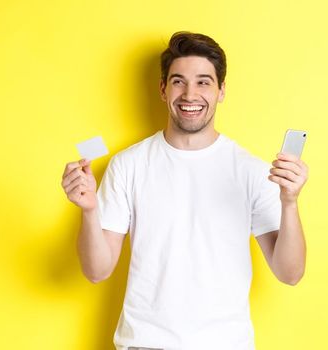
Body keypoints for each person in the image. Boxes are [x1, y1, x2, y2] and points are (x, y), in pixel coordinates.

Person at [60, 31, 308, 350]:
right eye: (179, 81)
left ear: (221, 91)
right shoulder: (127, 165)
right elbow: (97, 271)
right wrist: (90, 210)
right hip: (145, 344)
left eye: (204, 82)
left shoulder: (253, 171)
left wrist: (289, 202)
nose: (190, 94)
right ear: (163, 89)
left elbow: (290, 273)